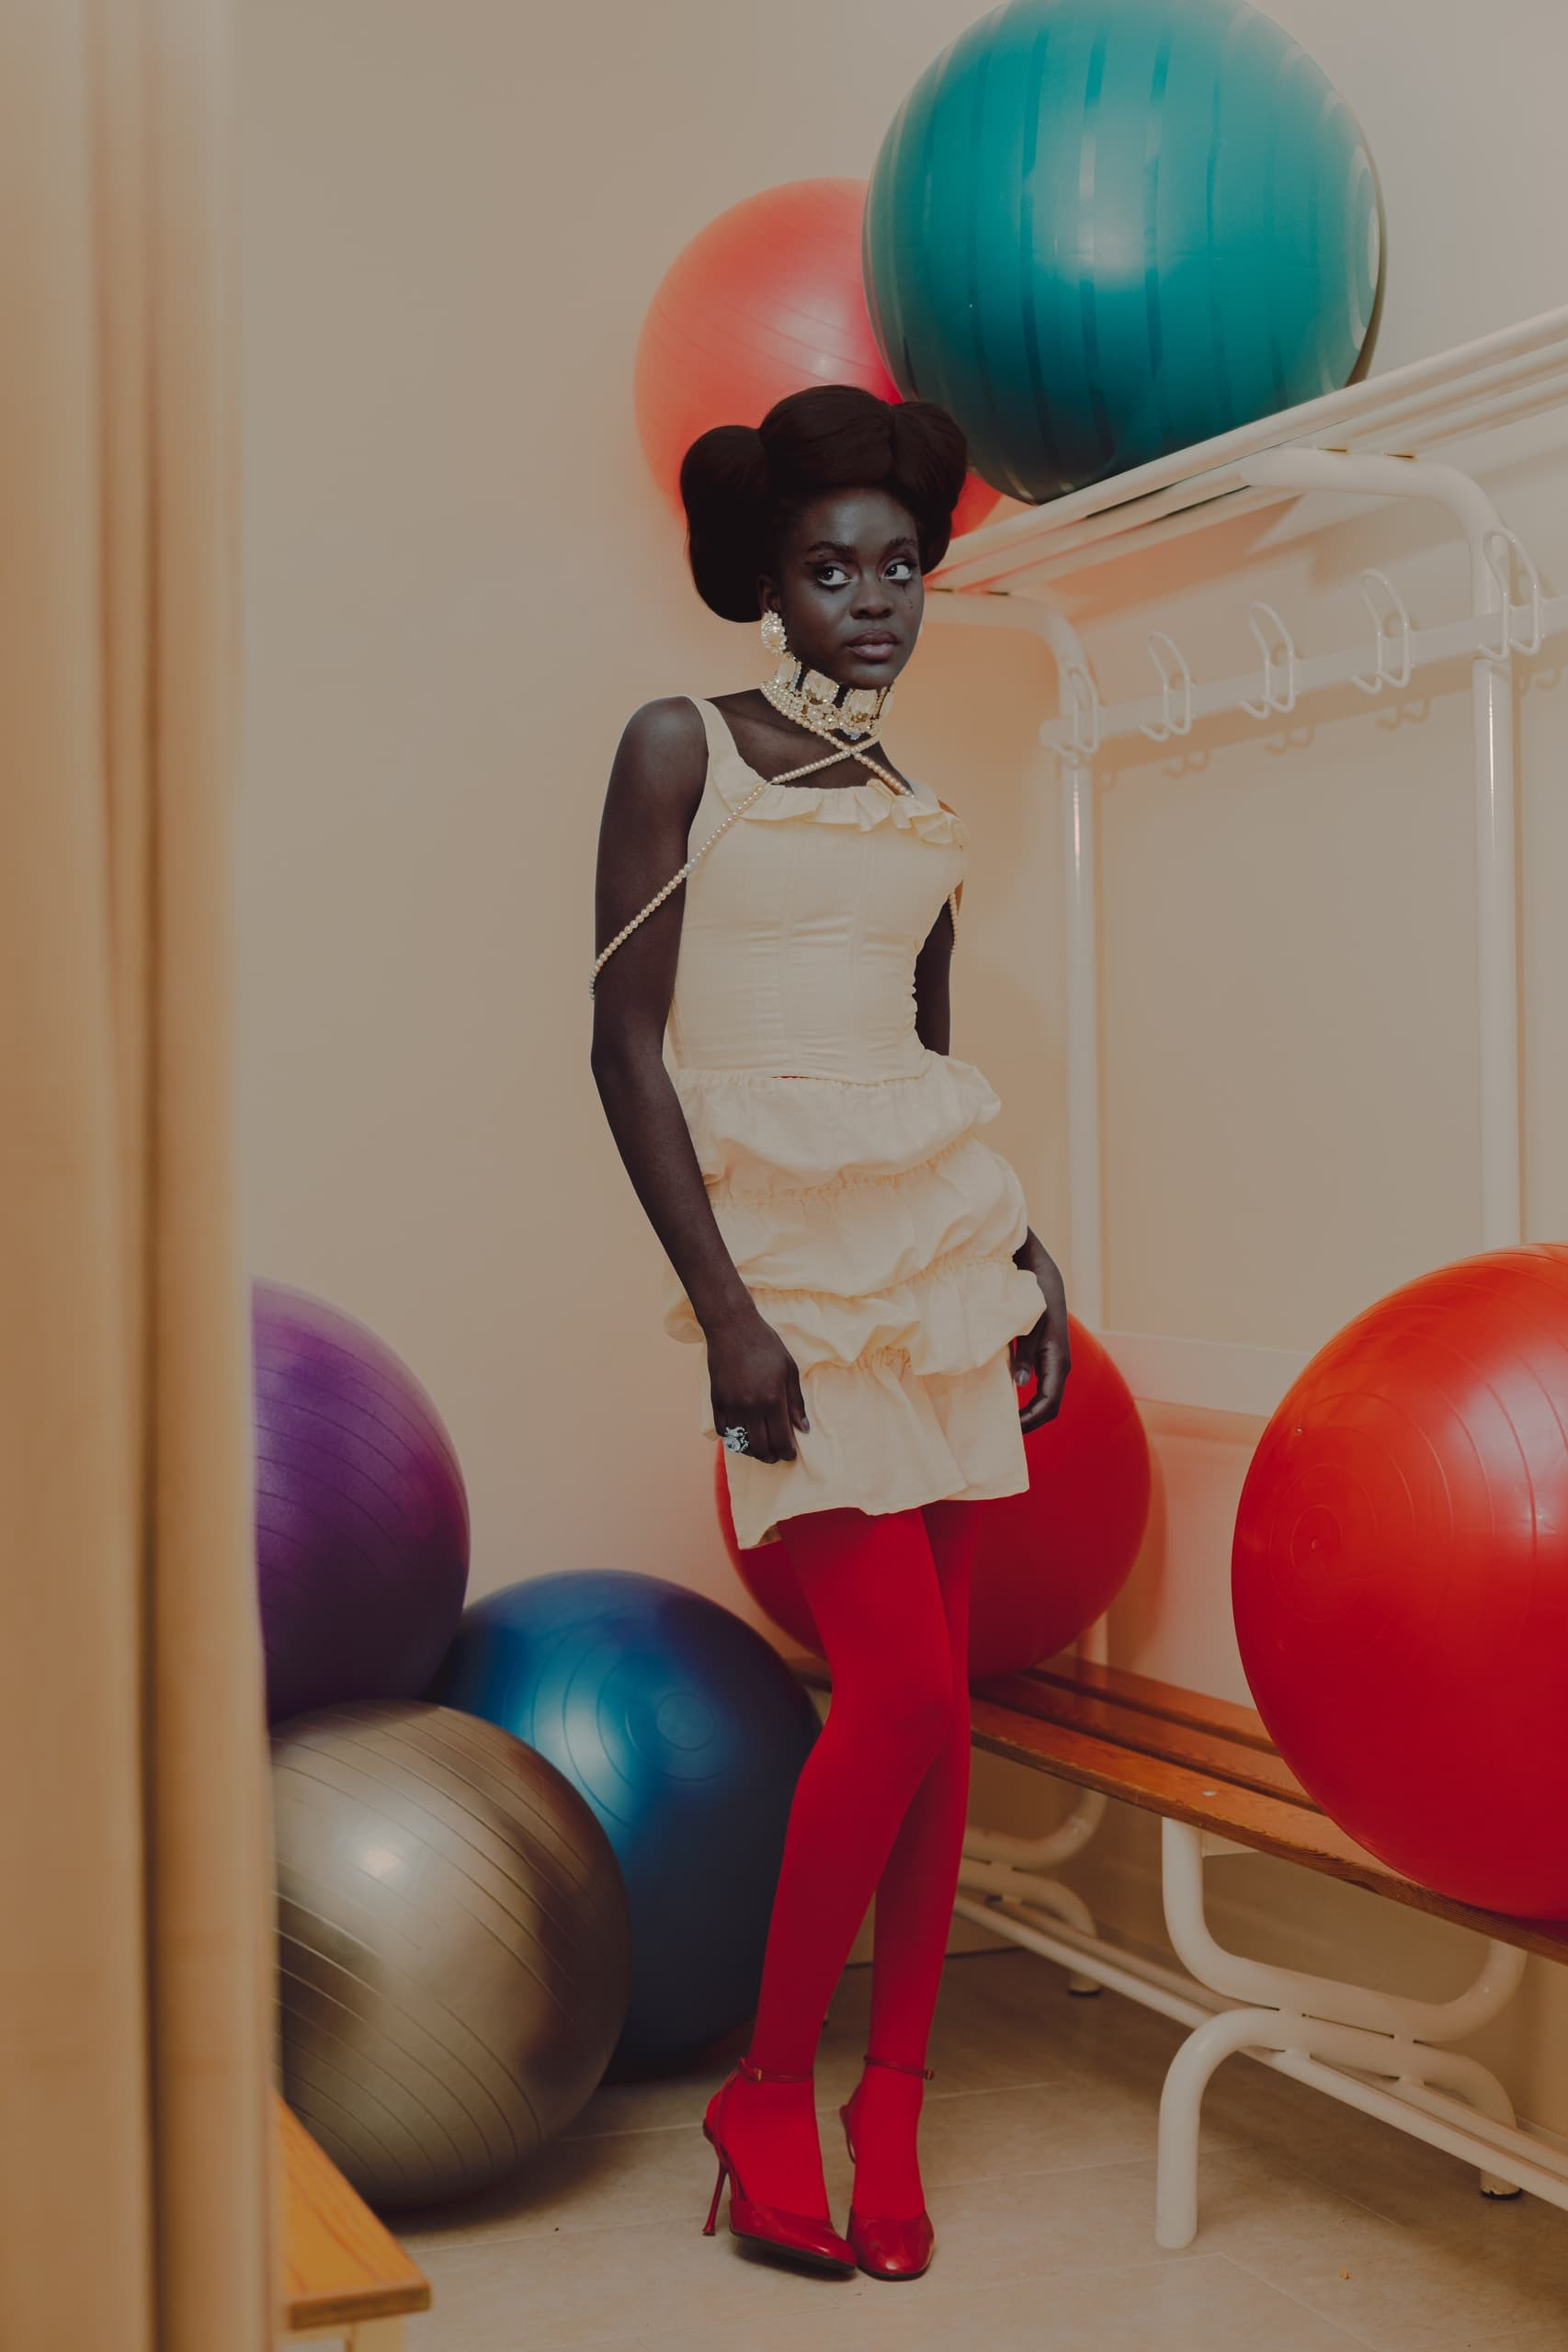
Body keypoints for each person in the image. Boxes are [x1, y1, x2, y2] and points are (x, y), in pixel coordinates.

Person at [589, 383, 1071, 2282]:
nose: (870, 601)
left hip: (936, 1268)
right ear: (765, 584)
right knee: (898, 1693)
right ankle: (770, 2086)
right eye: (826, 570)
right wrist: (727, 1311)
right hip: (783, 1272)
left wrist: (1022, 1251)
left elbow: (924, 1062)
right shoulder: (679, 745)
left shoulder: (913, 806)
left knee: (939, 1716)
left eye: (897, 568)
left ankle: (894, 2102)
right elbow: (623, 1046)